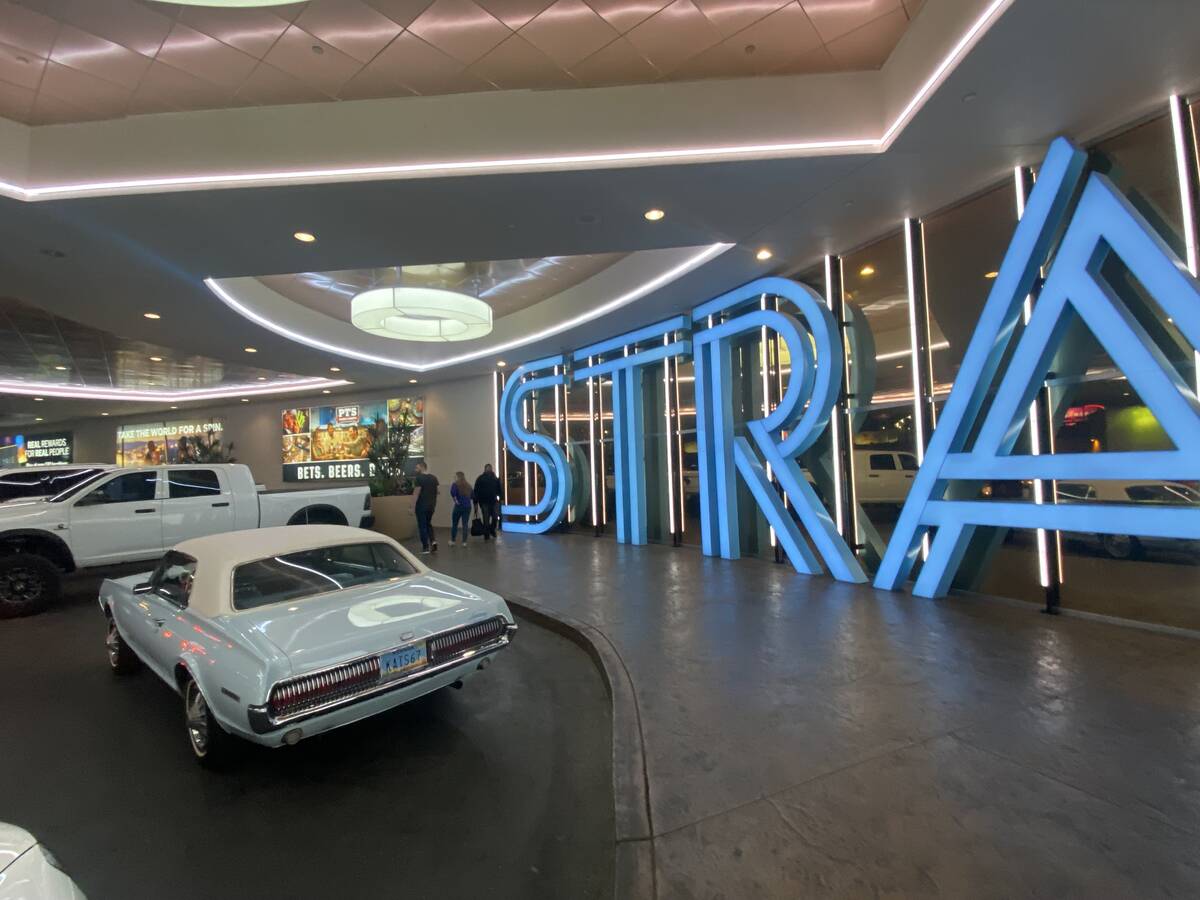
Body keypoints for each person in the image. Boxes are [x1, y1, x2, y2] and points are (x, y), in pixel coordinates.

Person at [413, 461, 439, 554]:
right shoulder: (434, 478)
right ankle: (433, 541)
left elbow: (416, 493)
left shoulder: (419, 479)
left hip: (421, 506)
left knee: (422, 526)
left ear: (422, 467)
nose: (415, 469)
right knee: (428, 524)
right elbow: (437, 492)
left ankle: (425, 547)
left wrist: (412, 506)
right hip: (431, 506)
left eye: (417, 468)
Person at [472, 463, 503, 540]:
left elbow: (476, 491)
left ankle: (488, 533)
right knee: (493, 517)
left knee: (488, 518)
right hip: (491, 501)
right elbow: (499, 490)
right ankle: (490, 531)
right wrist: (501, 499)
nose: (489, 470)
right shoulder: (494, 478)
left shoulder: (480, 478)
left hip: (485, 502)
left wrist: (475, 502)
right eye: (488, 468)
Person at [449, 471, 473, 547]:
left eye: (455, 476)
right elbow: (472, 496)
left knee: (455, 524)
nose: (454, 477)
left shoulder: (455, 485)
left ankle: (453, 541)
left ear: (458, 477)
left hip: (458, 507)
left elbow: (453, 493)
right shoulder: (468, 485)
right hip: (467, 507)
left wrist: (456, 501)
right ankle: (464, 542)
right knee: (465, 524)